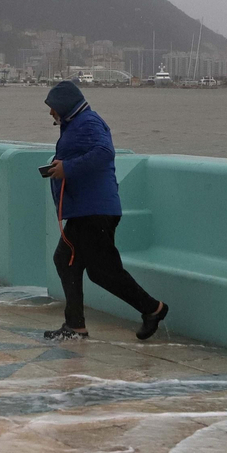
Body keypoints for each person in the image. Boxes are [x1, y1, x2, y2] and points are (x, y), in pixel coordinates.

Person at [40, 80, 168, 341]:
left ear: (65, 105)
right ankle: (77, 325)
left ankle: (152, 308)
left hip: (94, 211)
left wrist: (68, 168)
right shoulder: (75, 124)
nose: (51, 112)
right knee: (84, 266)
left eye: (53, 107)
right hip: (88, 211)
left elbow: (104, 152)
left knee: (86, 266)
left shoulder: (88, 122)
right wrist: (61, 167)